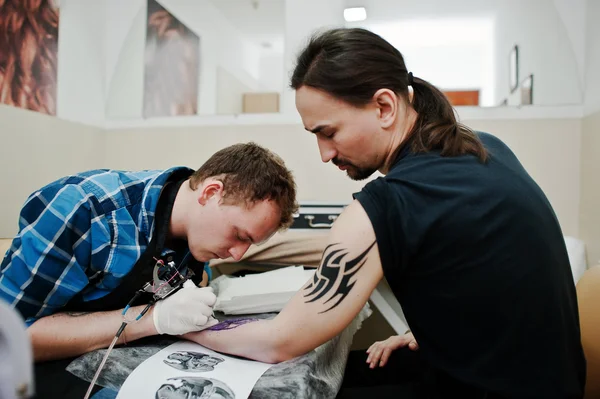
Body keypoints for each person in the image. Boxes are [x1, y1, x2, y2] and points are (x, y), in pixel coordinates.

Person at [185, 28, 586, 398]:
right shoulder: (484, 147)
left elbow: (278, 342)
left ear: (384, 106)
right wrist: (429, 336)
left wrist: (183, 329)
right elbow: (489, 277)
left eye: (328, 132)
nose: (324, 154)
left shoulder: (392, 201)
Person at [0, 142, 297, 397]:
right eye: (239, 235)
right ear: (210, 193)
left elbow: (187, 280)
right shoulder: (85, 211)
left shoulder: (196, 233)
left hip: (115, 356)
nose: (237, 254)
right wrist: (153, 320)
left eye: (250, 244)